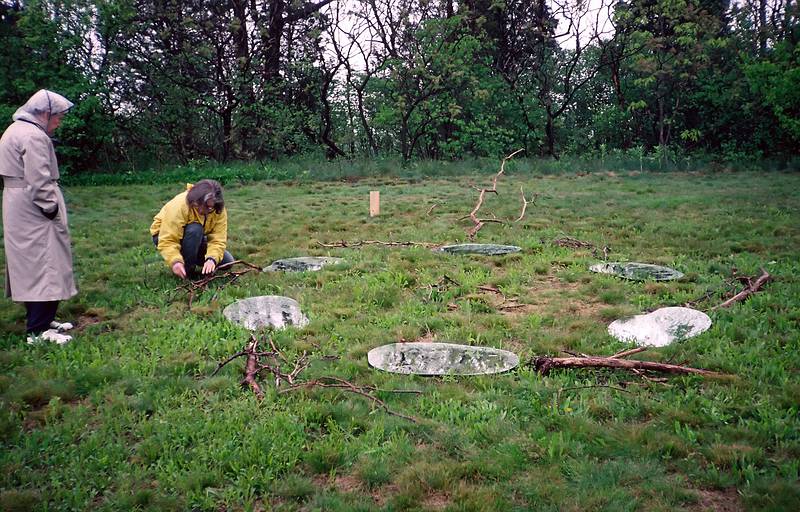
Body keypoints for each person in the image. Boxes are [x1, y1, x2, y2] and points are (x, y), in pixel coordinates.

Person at [0, 90, 77, 345]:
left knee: (31, 264)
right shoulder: (33, 136)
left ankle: (42, 320)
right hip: (33, 207)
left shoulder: (16, 129)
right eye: (58, 118)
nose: (59, 122)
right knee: (46, 263)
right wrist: (50, 207)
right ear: (45, 113)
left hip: (19, 202)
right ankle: (39, 331)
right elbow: (39, 179)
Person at [150, 179, 234, 279]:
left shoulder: (218, 210)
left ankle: (193, 260)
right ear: (196, 200)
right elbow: (168, 239)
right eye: (203, 205)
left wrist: (212, 259)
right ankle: (187, 272)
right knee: (195, 229)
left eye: (210, 207)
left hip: (195, 236)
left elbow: (218, 239)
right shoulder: (180, 205)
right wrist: (175, 261)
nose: (205, 210)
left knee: (227, 262)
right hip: (163, 235)